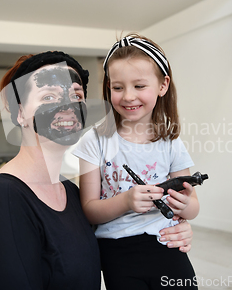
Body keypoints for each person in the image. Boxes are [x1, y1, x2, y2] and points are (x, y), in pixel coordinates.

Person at [0, 51, 194, 290]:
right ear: (20, 113)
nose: (67, 106)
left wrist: (174, 229)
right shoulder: (1, 198)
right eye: (49, 96)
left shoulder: (71, 194)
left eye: (76, 95)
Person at [73, 34, 200, 290]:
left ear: (163, 85)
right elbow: (88, 209)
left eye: (139, 86)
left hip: (167, 244)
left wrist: (185, 205)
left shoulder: (171, 142)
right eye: (118, 87)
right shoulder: (94, 141)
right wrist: (126, 201)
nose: (128, 96)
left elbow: (193, 208)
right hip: (117, 251)